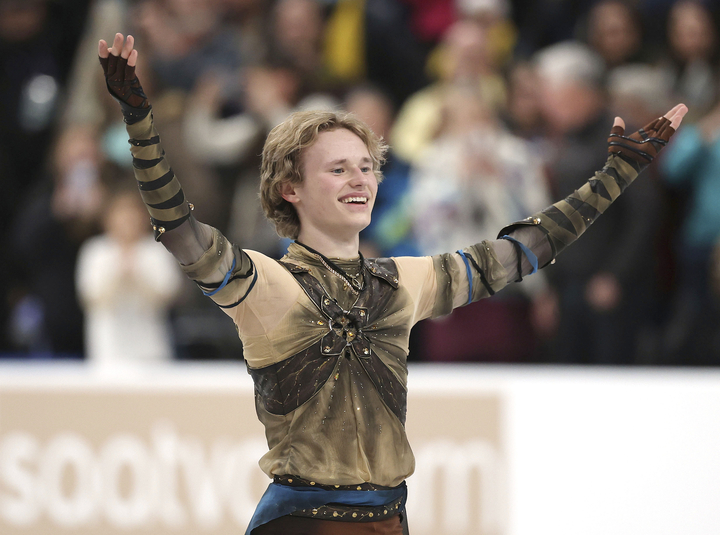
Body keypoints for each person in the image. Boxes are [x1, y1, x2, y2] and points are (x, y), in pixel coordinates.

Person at [98, 32, 686, 535]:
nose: (360, 179)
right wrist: (139, 123)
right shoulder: (268, 284)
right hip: (302, 522)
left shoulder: (404, 280)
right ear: (289, 189)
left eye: (367, 166)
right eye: (338, 168)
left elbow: (520, 254)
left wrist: (615, 176)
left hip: (388, 520)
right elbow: (181, 232)